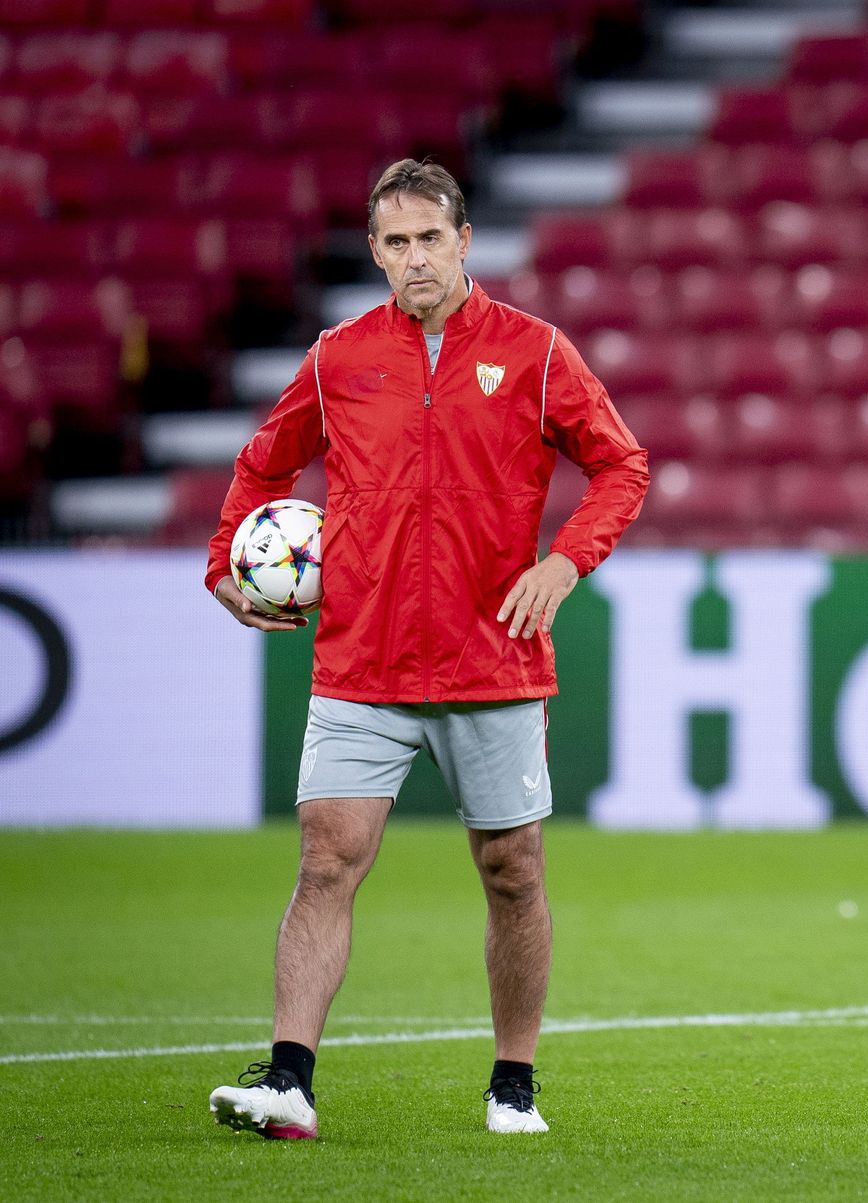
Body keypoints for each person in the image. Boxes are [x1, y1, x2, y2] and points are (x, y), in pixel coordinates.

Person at [203, 159, 649, 1139]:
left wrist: (566, 561)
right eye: (396, 242)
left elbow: (621, 465)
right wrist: (223, 565)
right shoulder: (338, 358)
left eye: (430, 239)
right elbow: (262, 465)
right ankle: (288, 1081)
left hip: (493, 657)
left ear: (463, 241)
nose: (415, 258)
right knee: (327, 858)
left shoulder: (535, 353)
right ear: (375, 251)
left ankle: (513, 1084)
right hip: (363, 659)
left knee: (512, 869)